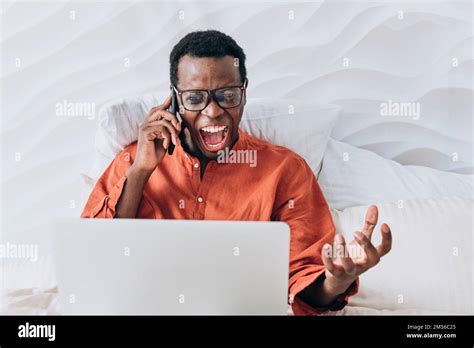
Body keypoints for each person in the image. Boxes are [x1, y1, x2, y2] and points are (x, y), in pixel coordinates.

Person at [81, 30, 392, 315]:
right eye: (194, 98)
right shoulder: (134, 160)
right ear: (174, 98)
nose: (213, 111)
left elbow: (306, 286)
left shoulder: (285, 171)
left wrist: (337, 281)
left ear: (244, 92)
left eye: (227, 95)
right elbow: (92, 259)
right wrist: (141, 171)